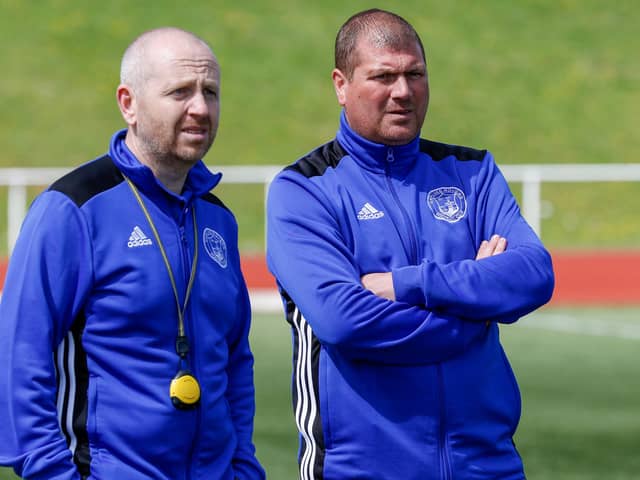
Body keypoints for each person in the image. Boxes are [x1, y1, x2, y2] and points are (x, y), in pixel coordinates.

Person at [266, 9, 554, 480]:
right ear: (341, 85)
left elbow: (535, 275)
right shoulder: (303, 189)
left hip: (488, 466)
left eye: (414, 74)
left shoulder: (472, 172)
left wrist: (406, 284)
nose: (403, 91)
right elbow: (345, 322)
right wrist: (473, 310)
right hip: (360, 470)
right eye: (383, 76)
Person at [0, 27, 265, 479]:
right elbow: (17, 359)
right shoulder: (74, 210)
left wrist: (242, 467)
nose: (200, 108)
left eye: (210, 92)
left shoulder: (218, 218)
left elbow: (235, 359)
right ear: (129, 103)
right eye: (180, 92)